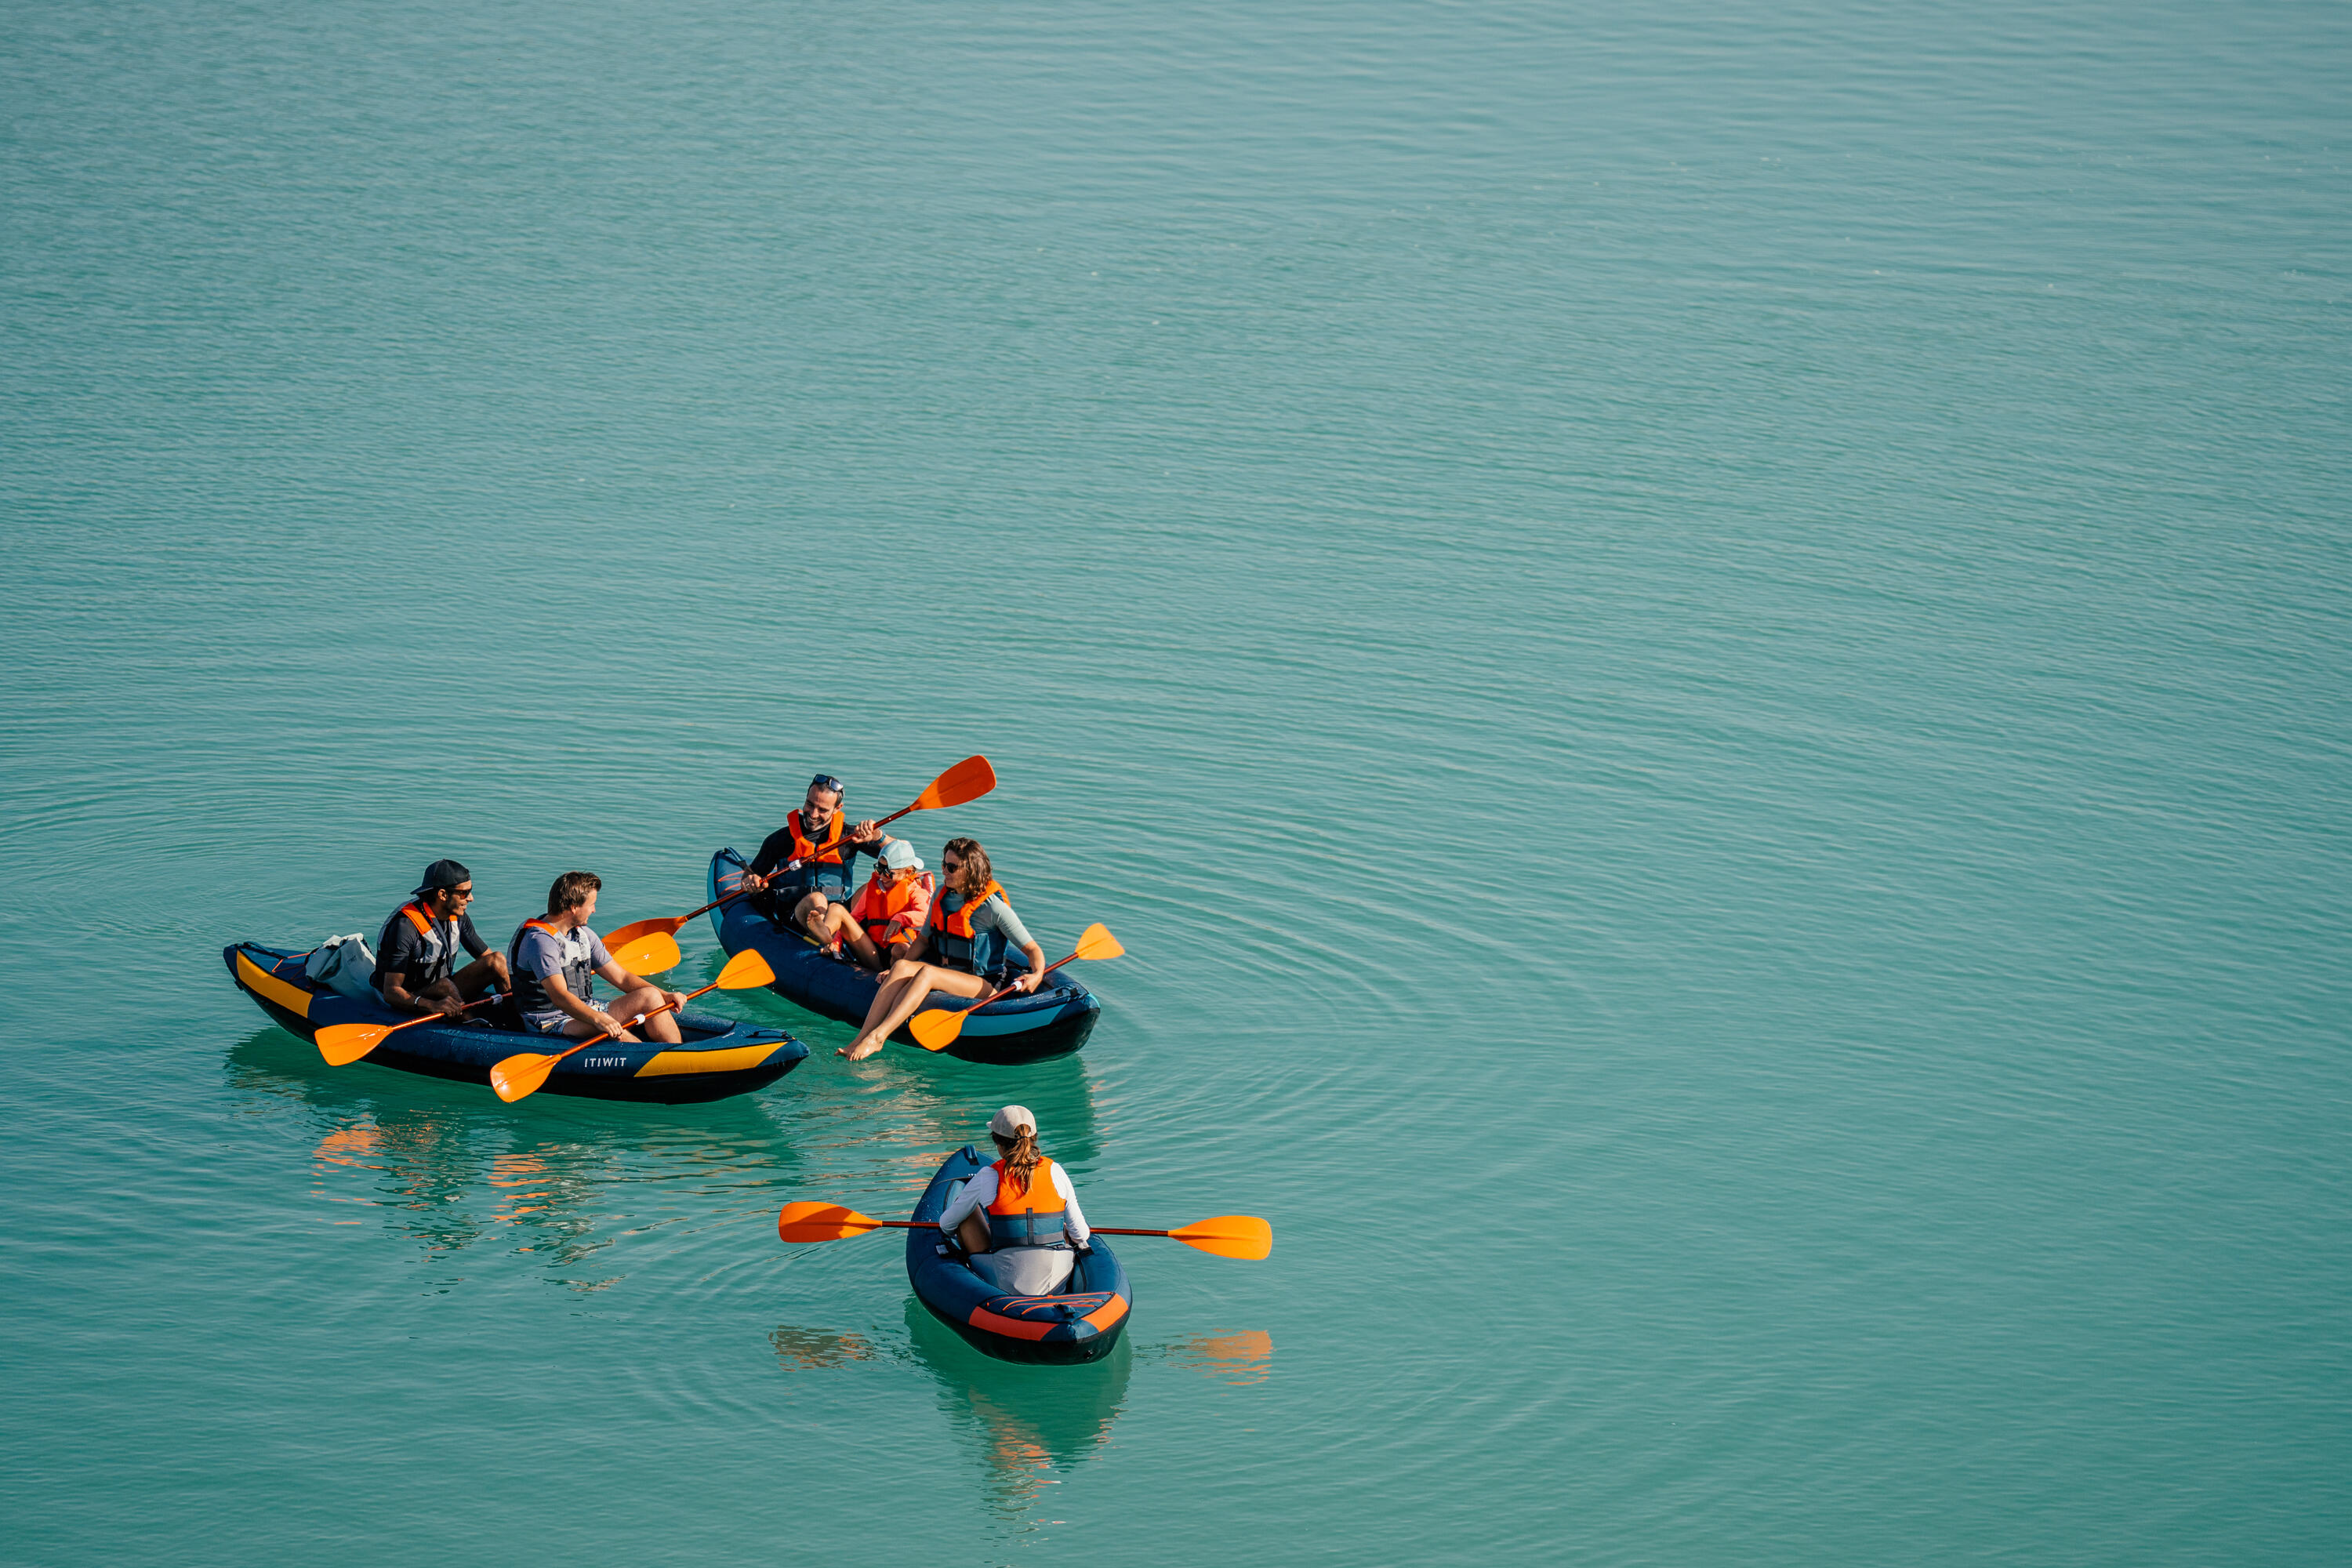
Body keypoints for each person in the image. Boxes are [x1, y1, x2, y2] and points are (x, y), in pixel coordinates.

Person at [837, 837, 1047, 1060]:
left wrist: (1036, 974)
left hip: (984, 983)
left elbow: (1032, 949)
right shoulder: (941, 895)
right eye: (944, 865)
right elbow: (923, 941)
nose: (944, 871)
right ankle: (860, 1038)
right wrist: (902, 966)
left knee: (927, 973)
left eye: (952, 867)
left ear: (971, 870)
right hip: (949, 972)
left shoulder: (992, 907)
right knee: (901, 966)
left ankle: (879, 1037)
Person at [505, 870, 687, 1044]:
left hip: (586, 1011)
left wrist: (666, 995)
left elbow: (622, 978)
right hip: (552, 1023)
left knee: (651, 996)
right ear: (574, 907)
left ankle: (677, 1053)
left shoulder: (584, 935)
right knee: (609, 1027)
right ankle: (655, 1062)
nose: (594, 910)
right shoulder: (541, 942)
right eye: (591, 904)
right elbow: (559, 996)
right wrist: (598, 1019)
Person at [937, 1105, 1092, 1297]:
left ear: (999, 1144)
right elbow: (1082, 1234)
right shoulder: (1055, 1171)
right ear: (1033, 1139)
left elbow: (946, 1225)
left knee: (965, 1209)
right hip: (1055, 1280)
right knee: (1064, 1225)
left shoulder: (988, 1176)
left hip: (1003, 1282)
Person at [737, 773, 881, 942]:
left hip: (837, 911)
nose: (813, 814)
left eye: (822, 810)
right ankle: (828, 938)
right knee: (816, 898)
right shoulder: (781, 839)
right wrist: (750, 882)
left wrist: (879, 836)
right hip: (795, 914)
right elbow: (751, 874)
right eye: (810, 804)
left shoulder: (850, 838)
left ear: (837, 808)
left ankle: (839, 935)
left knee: (871, 886)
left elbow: (900, 857)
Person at [373, 858, 510, 1018]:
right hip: (411, 997)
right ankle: (468, 1021)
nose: (471, 898)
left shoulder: (459, 918)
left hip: (444, 988)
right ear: (443, 895)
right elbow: (391, 992)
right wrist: (432, 1005)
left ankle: (520, 1021)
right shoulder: (404, 928)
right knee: (444, 986)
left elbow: (489, 960)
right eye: (464, 893)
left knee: (498, 961)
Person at [804, 838, 934, 985]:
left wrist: (901, 917)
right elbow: (854, 918)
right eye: (879, 869)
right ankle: (828, 937)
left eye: (888, 873)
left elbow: (925, 916)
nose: (882, 876)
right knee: (836, 909)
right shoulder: (874, 889)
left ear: (907, 872)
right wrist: (838, 941)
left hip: (897, 956)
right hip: (871, 952)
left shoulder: (917, 893)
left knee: (901, 948)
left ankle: (894, 974)